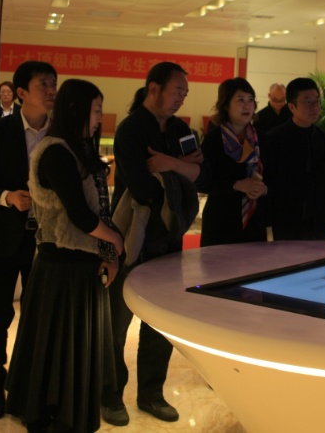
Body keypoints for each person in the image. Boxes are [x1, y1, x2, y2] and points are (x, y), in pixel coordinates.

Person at [5, 79, 124, 433]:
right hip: (61, 269)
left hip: (83, 267)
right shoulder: (56, 152)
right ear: (76, 110)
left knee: (73, 350)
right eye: (96, 110)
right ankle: (49, 414)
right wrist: (115, 241)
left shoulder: (79, 150)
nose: (99, 118)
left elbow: (98, 211)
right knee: (57, 349)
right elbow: (81, 216)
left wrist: (109, 253)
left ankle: (68, 413)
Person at [105, 62, 207, 425]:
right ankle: (110, 395)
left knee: (160, 323)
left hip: (170, 239)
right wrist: (180, 168)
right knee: (116, 324)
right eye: (177, 90)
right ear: (153, 89)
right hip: (132, 237)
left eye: (185, 93)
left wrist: (168, 164)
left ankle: (151, 393)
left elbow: (202, 176)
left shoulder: (180, 129)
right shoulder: (131, 129)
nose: (181, 98)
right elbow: (142, 186)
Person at [0, 60, 58, 420]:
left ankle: (28, 384)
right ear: (20, 93)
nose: (51, 90)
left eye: (53, 84)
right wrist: (5, 196)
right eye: (43, 84)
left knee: (41, 317)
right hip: (2, 236)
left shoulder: (61, 133)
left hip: (48, 241)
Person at [262, 77, 325, 241]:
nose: (315, 106)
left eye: (317, 101)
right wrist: (267, 225)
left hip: (318, 224)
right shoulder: (274, 139)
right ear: (292, 107)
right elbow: (268, 184)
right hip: (284, 223)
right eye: (308, 101)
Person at [199, 77, 269, 246]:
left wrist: (264, 189)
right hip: (221, 221)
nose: (247, 105)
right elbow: (202, 182)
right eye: (240, 100)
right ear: (225, 105)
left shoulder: (263, 139)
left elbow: (274, 177)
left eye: (250, 100)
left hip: (254, 221)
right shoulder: (213, 140)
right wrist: (237, 185)